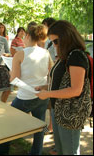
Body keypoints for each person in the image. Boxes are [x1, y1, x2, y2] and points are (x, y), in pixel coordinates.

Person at [36, 20, 91, 155]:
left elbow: (75, 89)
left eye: (55, 41)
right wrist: (44, 87)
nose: (54, 45)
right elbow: (60, 81)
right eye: (52, 42)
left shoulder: (76, 56)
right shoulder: (65, 55)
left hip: (69, 113)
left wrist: (48, 94)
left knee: (69, 151)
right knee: (61, 150)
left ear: (66, 37)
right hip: (58, 109)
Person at [0, 24, 53, 155]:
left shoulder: (20, 54)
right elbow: (51, 74)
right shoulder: (46, 53)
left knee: (7, 125)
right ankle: (36, 152)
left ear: (27, 36)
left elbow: (14, 79)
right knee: (40, 126)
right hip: (42, 95)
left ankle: (2, 151)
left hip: (25, 97)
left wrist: (11, 67)